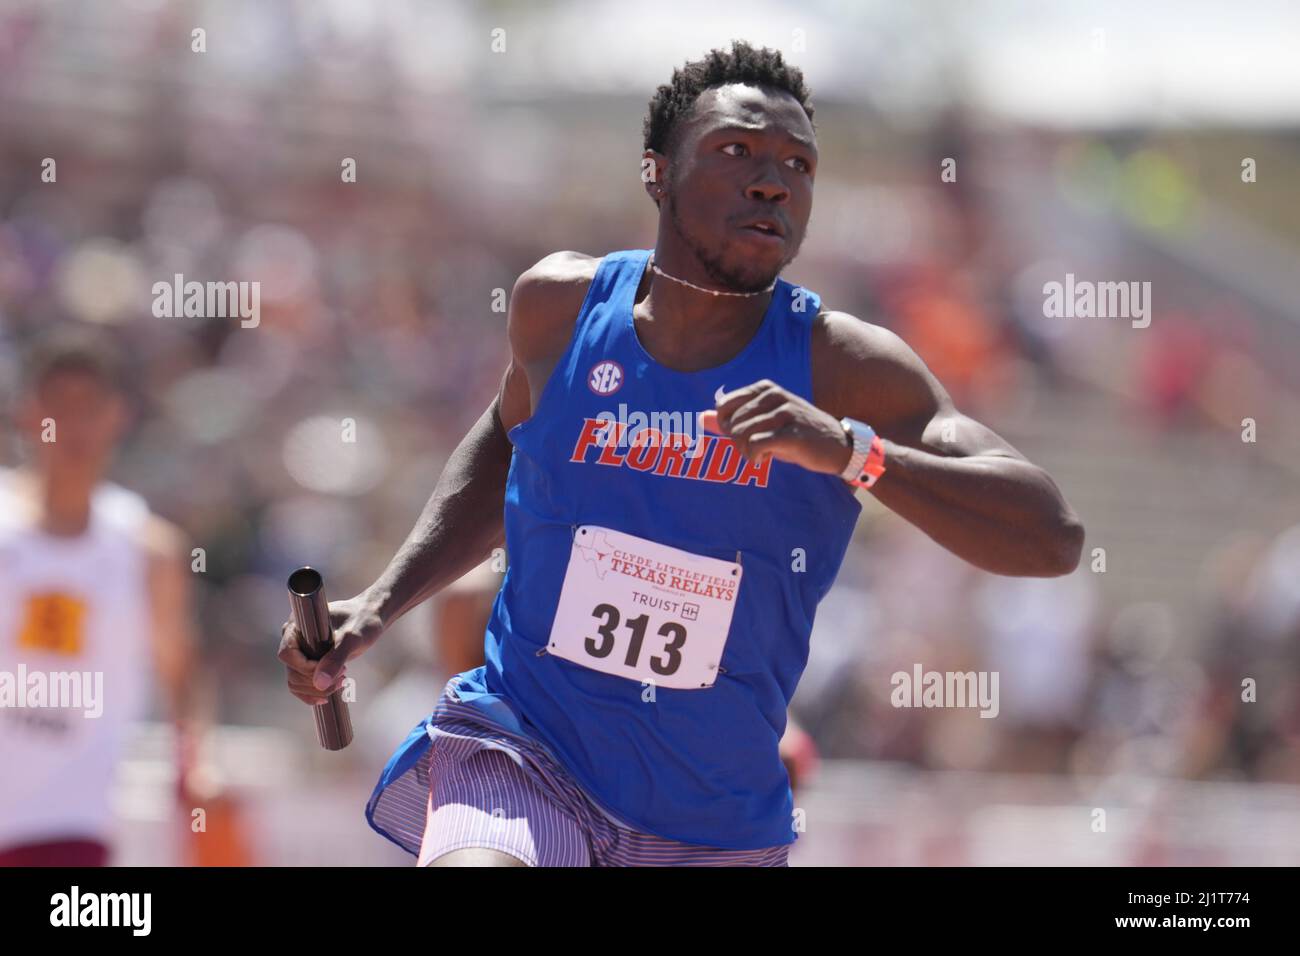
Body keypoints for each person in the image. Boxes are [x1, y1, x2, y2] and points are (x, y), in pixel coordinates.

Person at [279, 41, 1084, 867]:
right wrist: (378, 604)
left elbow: (1052, 536)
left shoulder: (846, 367)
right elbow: (506, 439)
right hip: (528, 752)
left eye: (798, 165)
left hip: (710, 820)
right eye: (736, 151)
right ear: (657, 171)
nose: (773, 180)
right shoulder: (559, 306)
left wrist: (851, 453)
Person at [0, 327, 199, 866]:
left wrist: (195, 770)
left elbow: (178, 671)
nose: (73, 426)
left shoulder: (148, 550)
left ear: (119, 415)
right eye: (58, 407)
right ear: (27, 413)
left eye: (89, 407)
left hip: (74, 822)